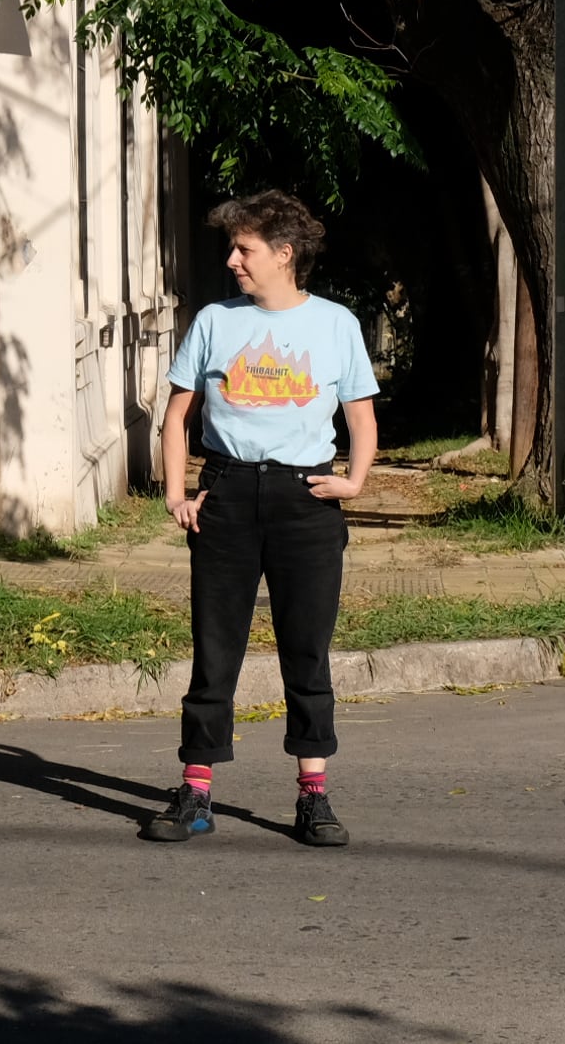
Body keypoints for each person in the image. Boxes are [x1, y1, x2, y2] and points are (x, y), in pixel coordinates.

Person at [141, 189, 377, 847]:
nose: (233, 258)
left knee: (307, 650)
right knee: (215, 651)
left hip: (305, 501)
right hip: (227, 496)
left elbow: (360, 416)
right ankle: (195, 791)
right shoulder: (216, 320)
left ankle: (314, 797)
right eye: (233, 247)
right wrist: (175, 493)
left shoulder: (334, 325)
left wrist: (352, 481)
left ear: (284, 253)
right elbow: (178, 415)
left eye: (244, 248)